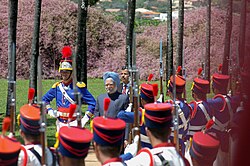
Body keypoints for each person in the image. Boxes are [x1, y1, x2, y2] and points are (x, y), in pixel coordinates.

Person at [42, 46, 96, 130]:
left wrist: (85, 118)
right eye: (62, 72)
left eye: (67, 72)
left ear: (71, 73)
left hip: (75, 123)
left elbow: (93, 103)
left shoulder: (79, 87)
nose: (64, 74)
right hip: (60, 123)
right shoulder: (57, 87)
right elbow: (44, 100)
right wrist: (49, 110)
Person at [125, 103, 189, 166]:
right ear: (169, 132)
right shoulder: (182, 160)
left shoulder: (145, 159)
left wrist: (130, 154)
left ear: (147, 132)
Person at [117, 82, 155, 149]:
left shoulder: (141, 114)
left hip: (146, 150)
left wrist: (129, 107)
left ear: (142, 100)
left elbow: (120, 115)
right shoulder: (160, 111)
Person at [166, 72, 192, 155]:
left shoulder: (167, 107)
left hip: (168, 145)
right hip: (181, 145)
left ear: (170, 91)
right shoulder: (188, 107)